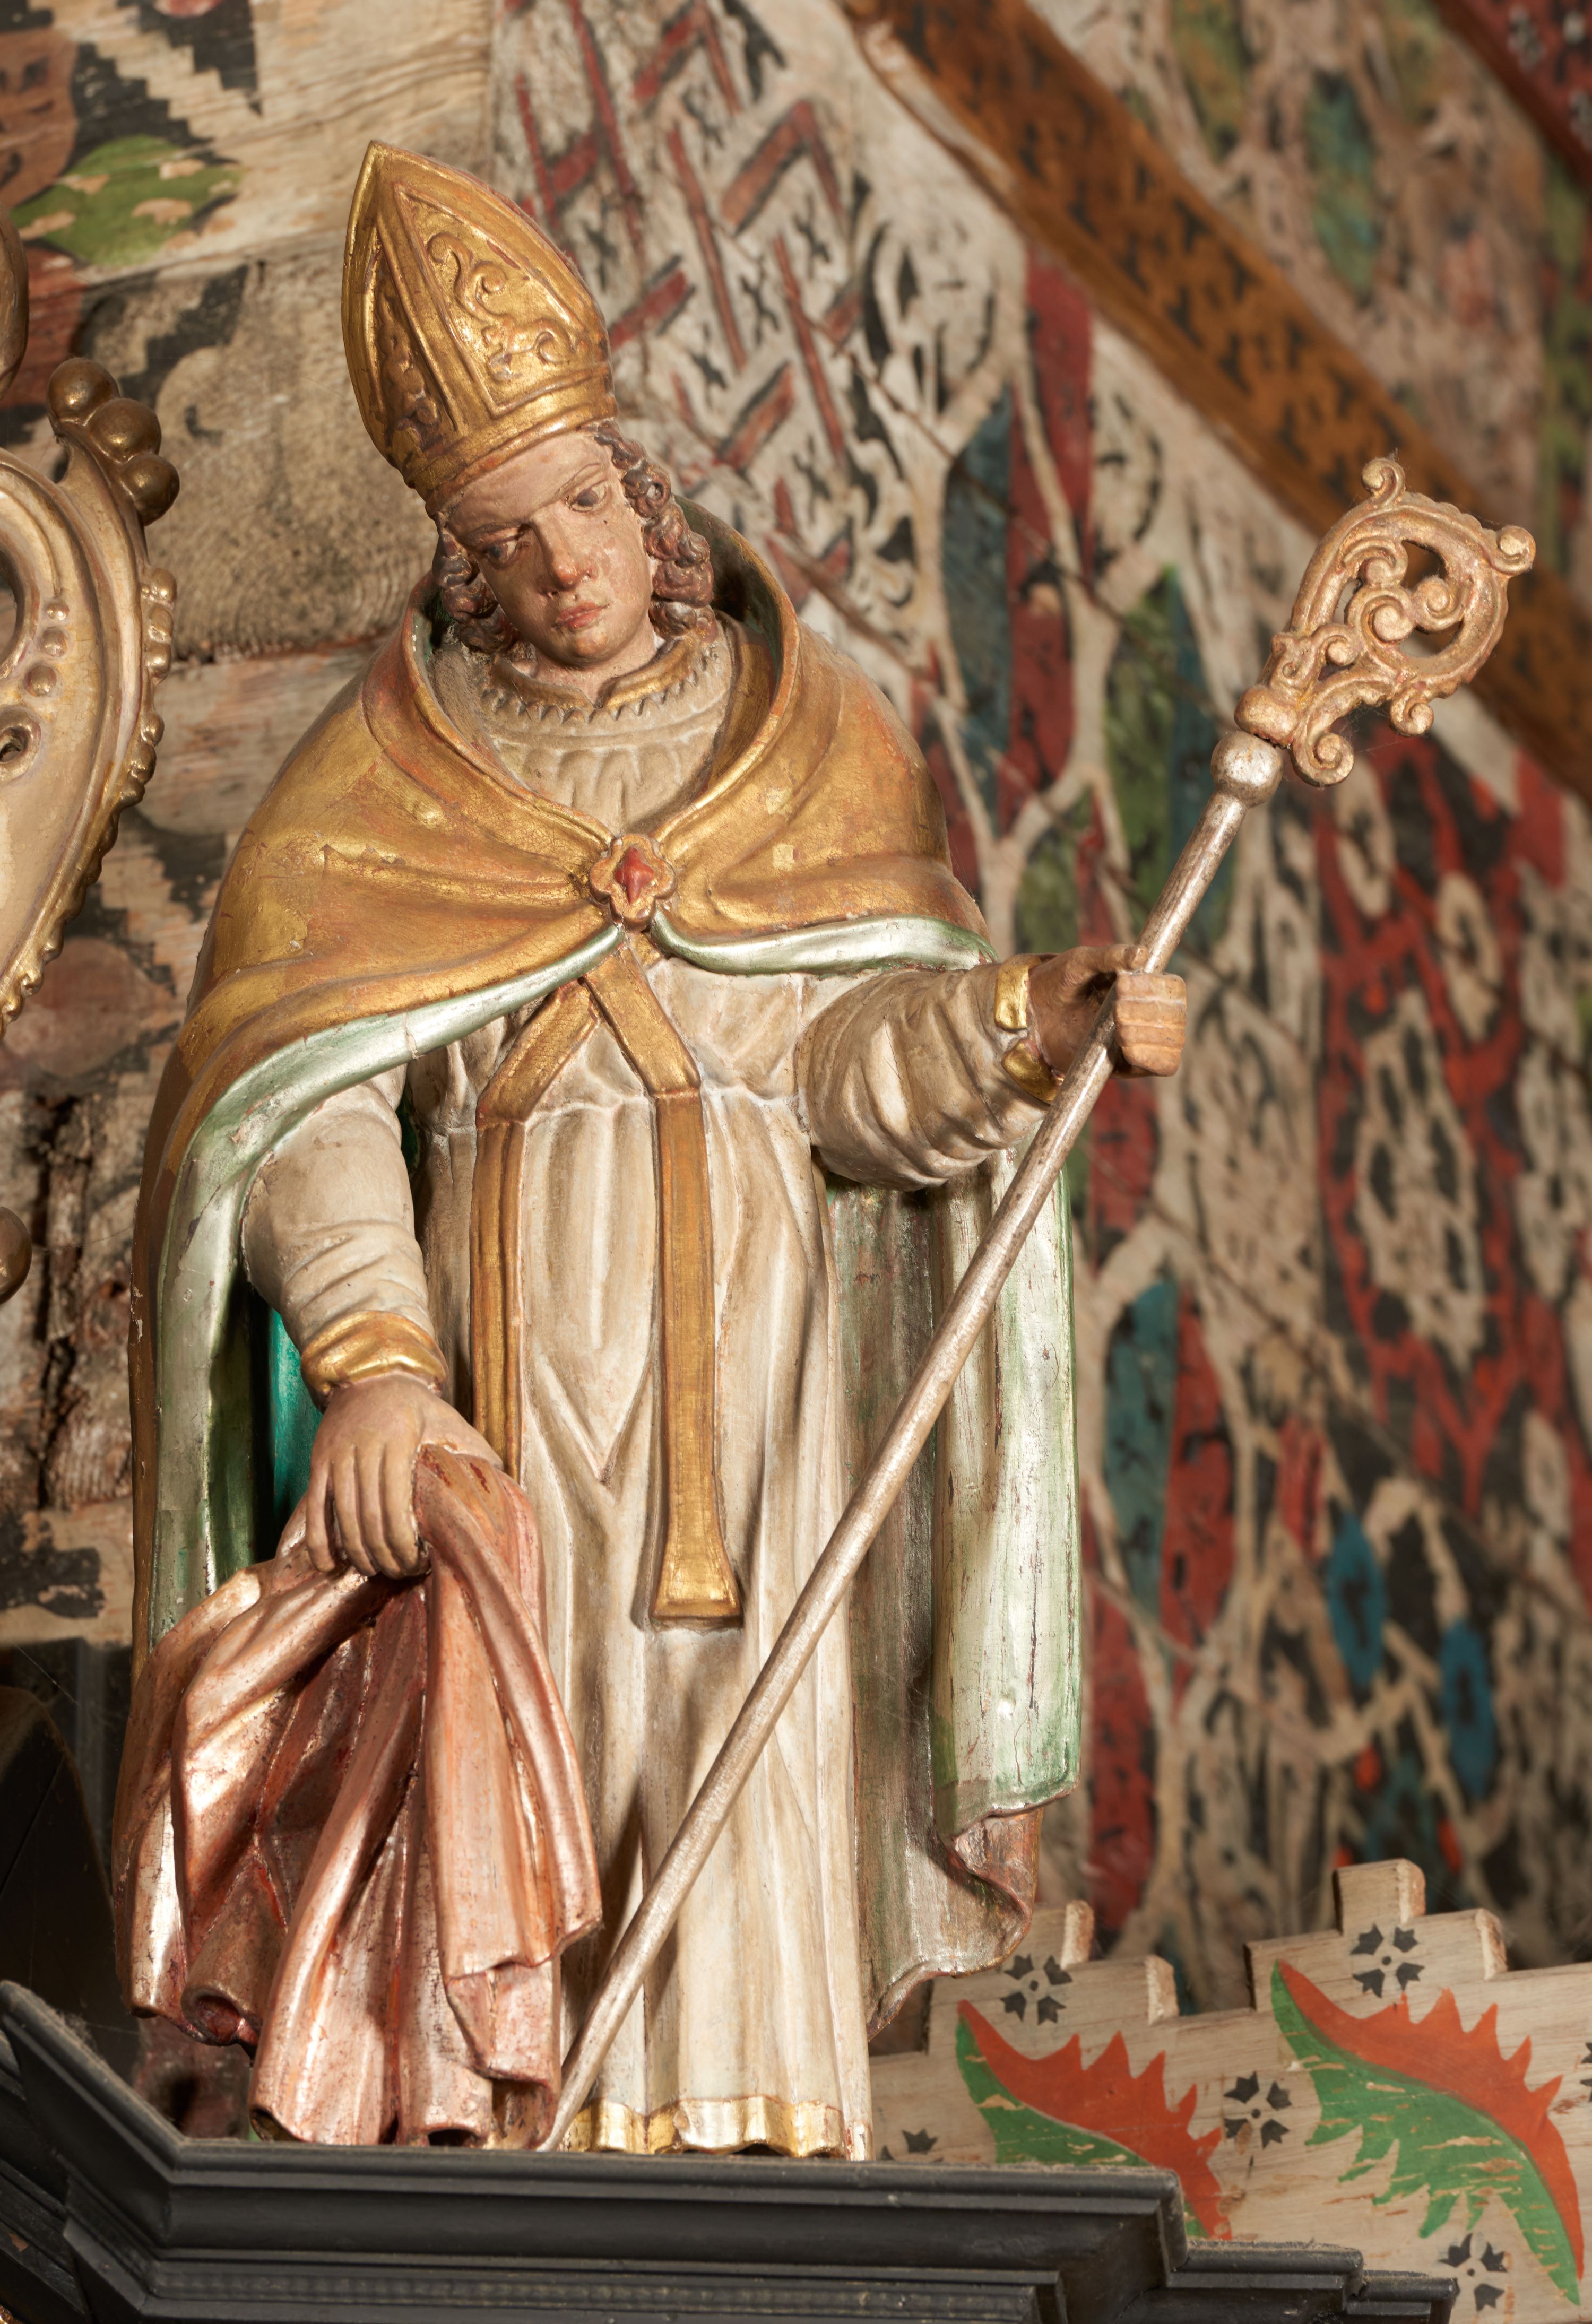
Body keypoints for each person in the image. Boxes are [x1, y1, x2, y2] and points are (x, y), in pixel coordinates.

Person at [120, 143, 1185, 2156]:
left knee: (740, 1723)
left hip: (750, 1354)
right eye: (507, 536)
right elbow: (307, 1098)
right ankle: (513, 2119)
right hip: (505, 1352)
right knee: (519, 1707)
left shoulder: (809, 744)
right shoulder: (373, 791)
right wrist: (377, 1362)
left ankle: (741, 2131)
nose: (563, 565)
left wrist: (1025, 1024)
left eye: (585, 506)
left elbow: (851, 1070)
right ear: (461, 561)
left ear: (643, 491)